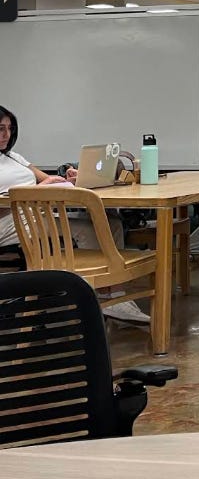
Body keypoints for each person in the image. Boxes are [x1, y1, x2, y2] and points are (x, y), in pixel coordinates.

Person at [0, 105, 150, 326]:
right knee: (89, 229)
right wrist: (37, 191)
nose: (7, 134)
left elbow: (46, 179)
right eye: (1, 128)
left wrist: (68, 178)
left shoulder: (13, 157)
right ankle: (102, 295)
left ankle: (113, 294)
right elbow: (35, 190)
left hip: (35, 214)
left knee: (112, 223)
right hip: (9, 222)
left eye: (10, 128)